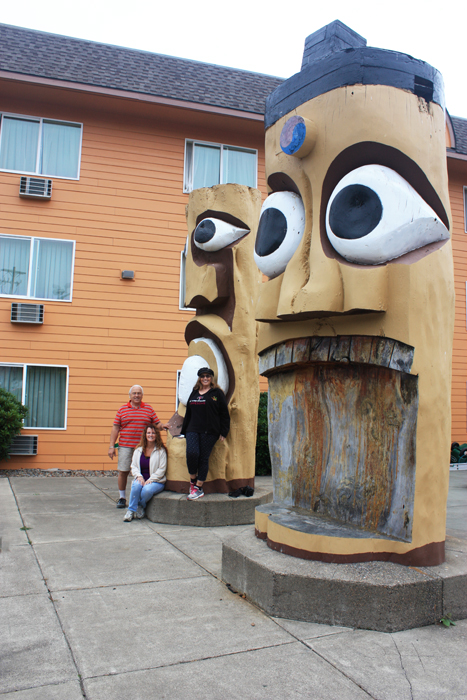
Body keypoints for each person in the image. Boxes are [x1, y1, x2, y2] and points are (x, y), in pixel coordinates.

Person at [108, 385, 164, 508]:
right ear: (130, 395)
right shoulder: (122, 409)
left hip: (143, 448)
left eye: (139, 393)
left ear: (142, 395)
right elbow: (115, 428)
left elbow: (157, 423)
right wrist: (111, 446)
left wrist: (165, 426)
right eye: (134, 393)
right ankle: (122, 497)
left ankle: (141, 495)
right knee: (123, 471)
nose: (137, 395)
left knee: (144, 472)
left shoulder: (148, 409)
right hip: (125, 446)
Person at [180, 367, 230, 500]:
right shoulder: (195, 392)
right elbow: (189, 412)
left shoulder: (217, 393)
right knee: (192, 453)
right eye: (202, 376)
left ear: (211, 378)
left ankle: (199, 487)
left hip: (210, 431)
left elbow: (224, 413)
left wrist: (224, 431)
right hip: (192, 429)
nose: (205, 378)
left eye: (208, 376)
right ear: (199, 378)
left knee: (203, 457)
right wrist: (184, 429)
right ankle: (193, 481)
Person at [123, 424, 167, 521]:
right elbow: (133, 466)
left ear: (157, 435)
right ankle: (130, 511)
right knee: (136, 486)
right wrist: (139, 476)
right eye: (148, 433)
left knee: (146, 490)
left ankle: (140, 505)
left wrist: (151, 479)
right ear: (145, 435)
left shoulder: (161, 451)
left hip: (156, 481)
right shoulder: (138, 450)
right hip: (141, 478)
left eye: (153, 433)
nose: (151, 435)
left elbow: (162, 469)